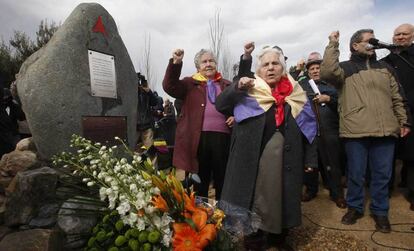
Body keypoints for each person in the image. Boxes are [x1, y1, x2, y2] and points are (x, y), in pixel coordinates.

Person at [216, 45, 317, 250]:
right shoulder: (248, 90)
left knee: (282, 197)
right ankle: (254, 239)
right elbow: (221, 105)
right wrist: (237, 87)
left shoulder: (297, 93)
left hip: (286, 161)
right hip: (252, 160)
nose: (270, 68)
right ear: (258, 70)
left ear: (283, 68)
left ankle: (278, 238)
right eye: (265, 64)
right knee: (253, 198)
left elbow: (311, 129)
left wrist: (311, 159)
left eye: (275, 63)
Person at [320, 29, 411, 233]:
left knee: (382, 175)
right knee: (356, 174)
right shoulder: (344, 69)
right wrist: (333, 44)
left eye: (374, 39)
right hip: (356, 131)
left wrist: (404, 122)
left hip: (386, 130)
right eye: (369, 40)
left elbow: (398, 97)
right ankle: (355, 208)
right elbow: (326, 72)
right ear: (355, 46)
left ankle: (380, 212)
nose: (374, 42)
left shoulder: (386, 69)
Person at [162, 48, 234, 200]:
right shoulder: (189, 84)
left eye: (211, 61)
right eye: (204, 62)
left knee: (223, 180)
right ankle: (201, 218)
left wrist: (235, 116)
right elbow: (169, 85)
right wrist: (176, 63)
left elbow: (238, 106)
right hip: (198, 139)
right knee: (201, 181)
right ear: (198, 67)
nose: (208, 64)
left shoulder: (226, 84)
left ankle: (223, 216)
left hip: (223, 139)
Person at [299, 52, 346, 209]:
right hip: (310, 132)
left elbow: (343, 104)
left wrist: (329, 99)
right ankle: (311, 190)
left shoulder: (332, 86)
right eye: (311, 69)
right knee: (310, 163)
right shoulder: (303, 87)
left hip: (330, 131)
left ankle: (337, 194)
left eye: (318, 68)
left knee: (333, 164)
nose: (315, 71)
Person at [382, 23, 414, 210]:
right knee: (389, 153)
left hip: (411, 111)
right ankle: (386, 189)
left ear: (411, 36)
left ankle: (411, 191)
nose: (400, 37)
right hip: (390, 114)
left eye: (404, 34)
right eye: (397, 34)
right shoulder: (386, 60)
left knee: (411, 156)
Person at [0, 87, 26, 158]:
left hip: (14, 134)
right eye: (4, 98)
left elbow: (21, 117)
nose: (5, 100)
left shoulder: (14, 106)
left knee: (17, 152)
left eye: (7, 98)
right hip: (3, 136)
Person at [136, 73, 158, 149]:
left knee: (150, 151)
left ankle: (152, 161)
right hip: (135, 127)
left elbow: (155, 102)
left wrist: (149, 91)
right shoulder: (132, 93)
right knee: (135, 152)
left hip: (147, 126)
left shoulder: (146, 93)